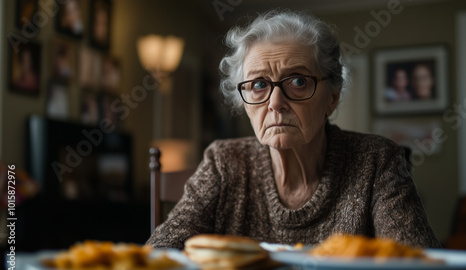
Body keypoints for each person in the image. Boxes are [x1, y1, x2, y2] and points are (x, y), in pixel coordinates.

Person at [147, 10, 440, 249]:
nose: (276, 103)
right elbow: (158, 255)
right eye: (259, 85)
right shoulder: (224, 162)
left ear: (332, 97)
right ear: (244, 101)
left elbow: (420, 266)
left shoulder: (376, 161)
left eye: (298, 81)